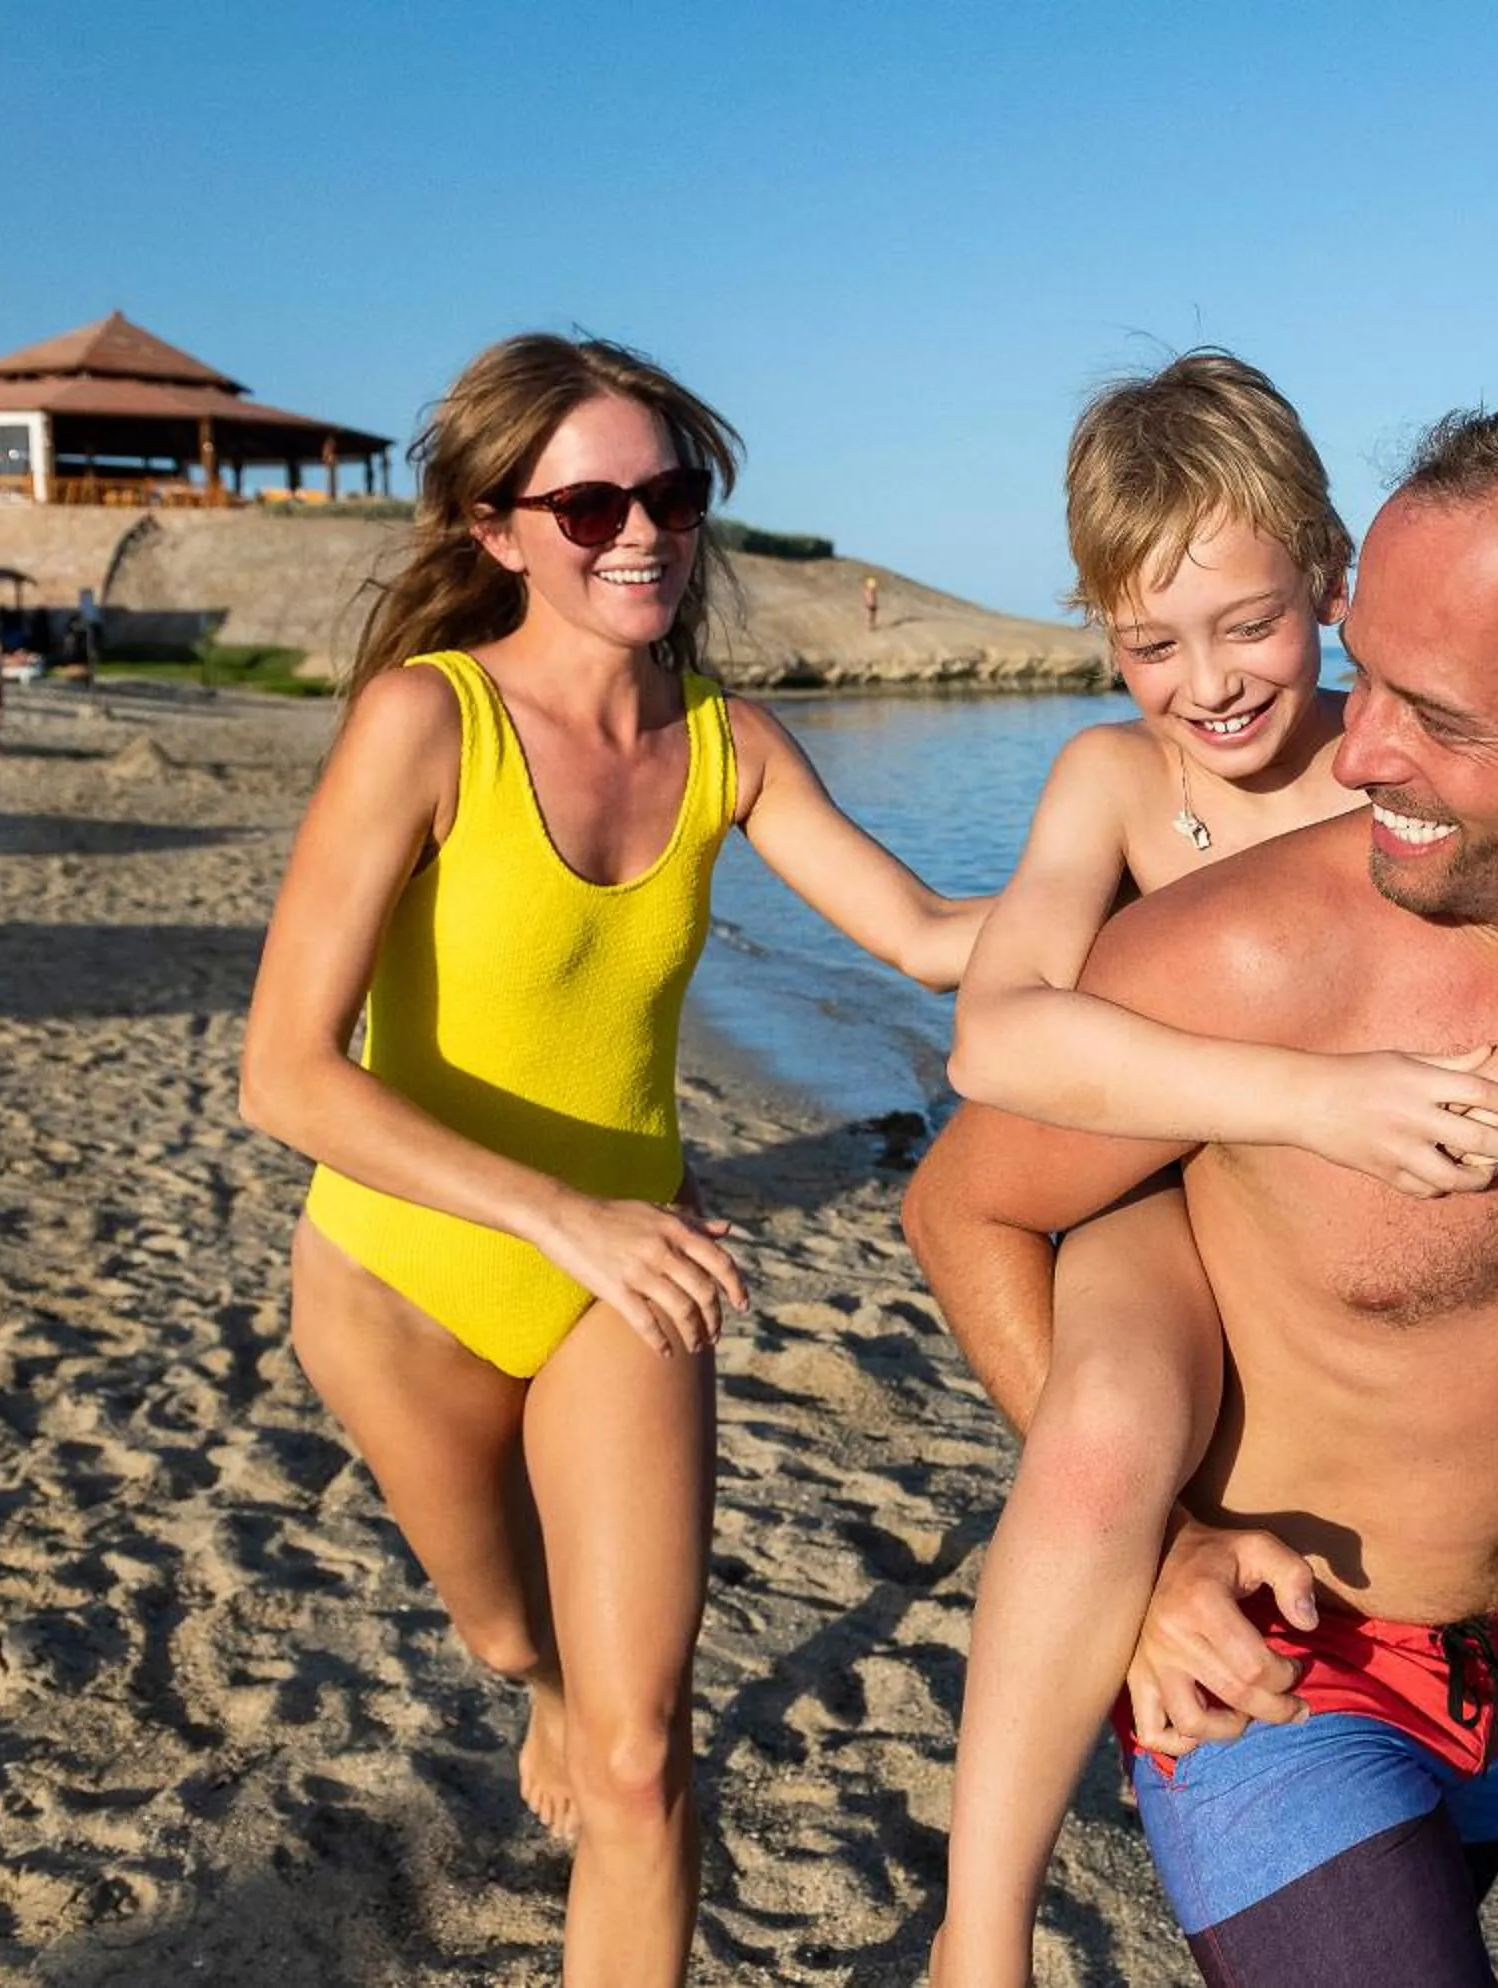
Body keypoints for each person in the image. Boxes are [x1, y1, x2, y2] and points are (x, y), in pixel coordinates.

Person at [906, 387, 1498, 1984]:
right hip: (1276, 1669)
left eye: (1439, 712)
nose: (1363, 747)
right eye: (1374, 678)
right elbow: (965, 1194)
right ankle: (973, 1942)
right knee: (1115, 1414)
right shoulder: (1243, 943)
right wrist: (1155, 1561)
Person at [237, 333, 986, 1985]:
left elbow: (933, 934)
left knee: (644, 1760)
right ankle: (545, 1688)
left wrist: (1182, 855)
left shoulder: (730, 742)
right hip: (403, 1284)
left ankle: (597, 1720)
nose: (637, 530)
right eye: (588, 503)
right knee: (519, 1637)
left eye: (669, 492)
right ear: (497, 530)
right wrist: (561, 1212)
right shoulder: (425, 723)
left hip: (622, 1290)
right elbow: (283, 1074)